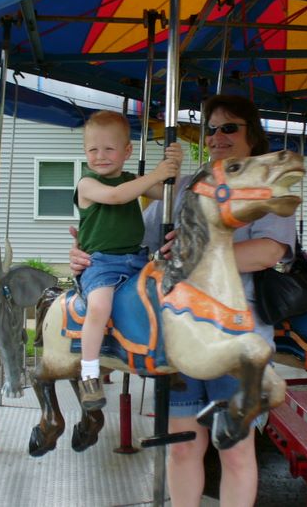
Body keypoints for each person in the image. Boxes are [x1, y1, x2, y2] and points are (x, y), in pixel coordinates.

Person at [69, 95, 296, 506]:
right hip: (180, 331)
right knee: (183, 445)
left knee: (236, 449)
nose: (217, 136)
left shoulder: (256, 183)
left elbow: (268, 252)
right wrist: (87, 253)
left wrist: (197, 256)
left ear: (252, 134)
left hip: (235, 332)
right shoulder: (185, 186)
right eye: (211, 128)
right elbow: (138, 242)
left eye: (230, 127)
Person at [74, 110, 181, 411]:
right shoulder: (87, 184)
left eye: (109, 148)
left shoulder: (132, 180)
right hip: (102, 265)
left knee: (168, 298)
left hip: (137, 260)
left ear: (127, 151)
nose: (100, 156)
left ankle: (165, 358)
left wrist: (173, 166)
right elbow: (118, 196)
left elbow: (166, 192)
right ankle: (90, 373)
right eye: (93, 149)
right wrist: (156, 174)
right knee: (99, 307)